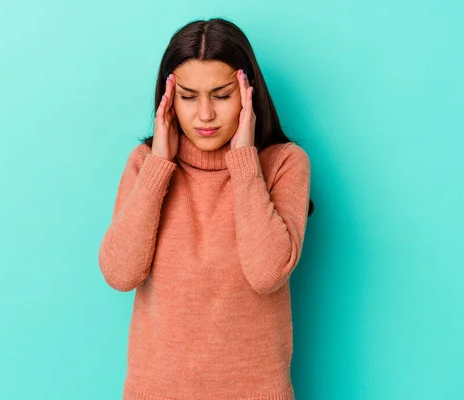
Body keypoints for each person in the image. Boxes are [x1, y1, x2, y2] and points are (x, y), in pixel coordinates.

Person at [99, 17, 314, 400]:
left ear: (248, 93)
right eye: (188, 96)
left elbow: (267, 273)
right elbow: (119, 273)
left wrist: (245, 159)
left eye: (221, 95)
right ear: (168, 99)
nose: (205, 115)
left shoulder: (284, 163)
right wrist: (158, 167)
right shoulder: (144, 163)